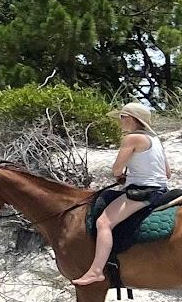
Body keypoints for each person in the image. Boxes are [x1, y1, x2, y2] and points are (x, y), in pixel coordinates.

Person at [73, 102, 170, 286]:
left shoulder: (131, 139)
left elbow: (117, 168)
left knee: (104, 222)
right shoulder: (156, 141)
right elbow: (167, 174)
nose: (120, 121)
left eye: (122, 117)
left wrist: (120, 176)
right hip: (161, 189)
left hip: (144, 192)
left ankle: (96, 271)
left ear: (133, 119)